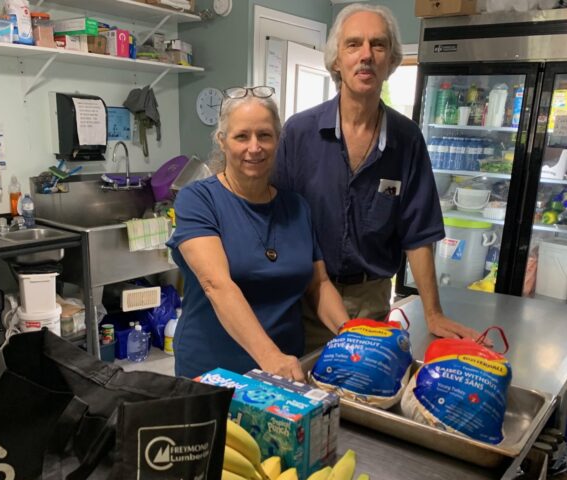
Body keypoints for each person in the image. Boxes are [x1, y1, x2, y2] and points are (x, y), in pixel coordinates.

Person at [273, 3, 481, 353]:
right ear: (336, 60)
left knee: (359, 398)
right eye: (353, 44)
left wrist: (433, 312)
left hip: (372, 301)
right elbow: (275, 220)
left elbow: (418, 234)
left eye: (378, 45)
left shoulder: (407, 139)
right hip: (302, 300)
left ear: (391, 61)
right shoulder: (299, 133)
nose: (366, 55)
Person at [166, 86, 349, 380]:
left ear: (278, 141)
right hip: (214, 372)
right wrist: (268, 356)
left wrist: (350, 334)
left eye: (264, 135)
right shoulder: (198, 200)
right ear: (222, 142)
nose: (254, 147)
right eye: (242, 136)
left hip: (286, 369)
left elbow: (318, 285)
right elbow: (216, 284)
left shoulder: (296, 207)